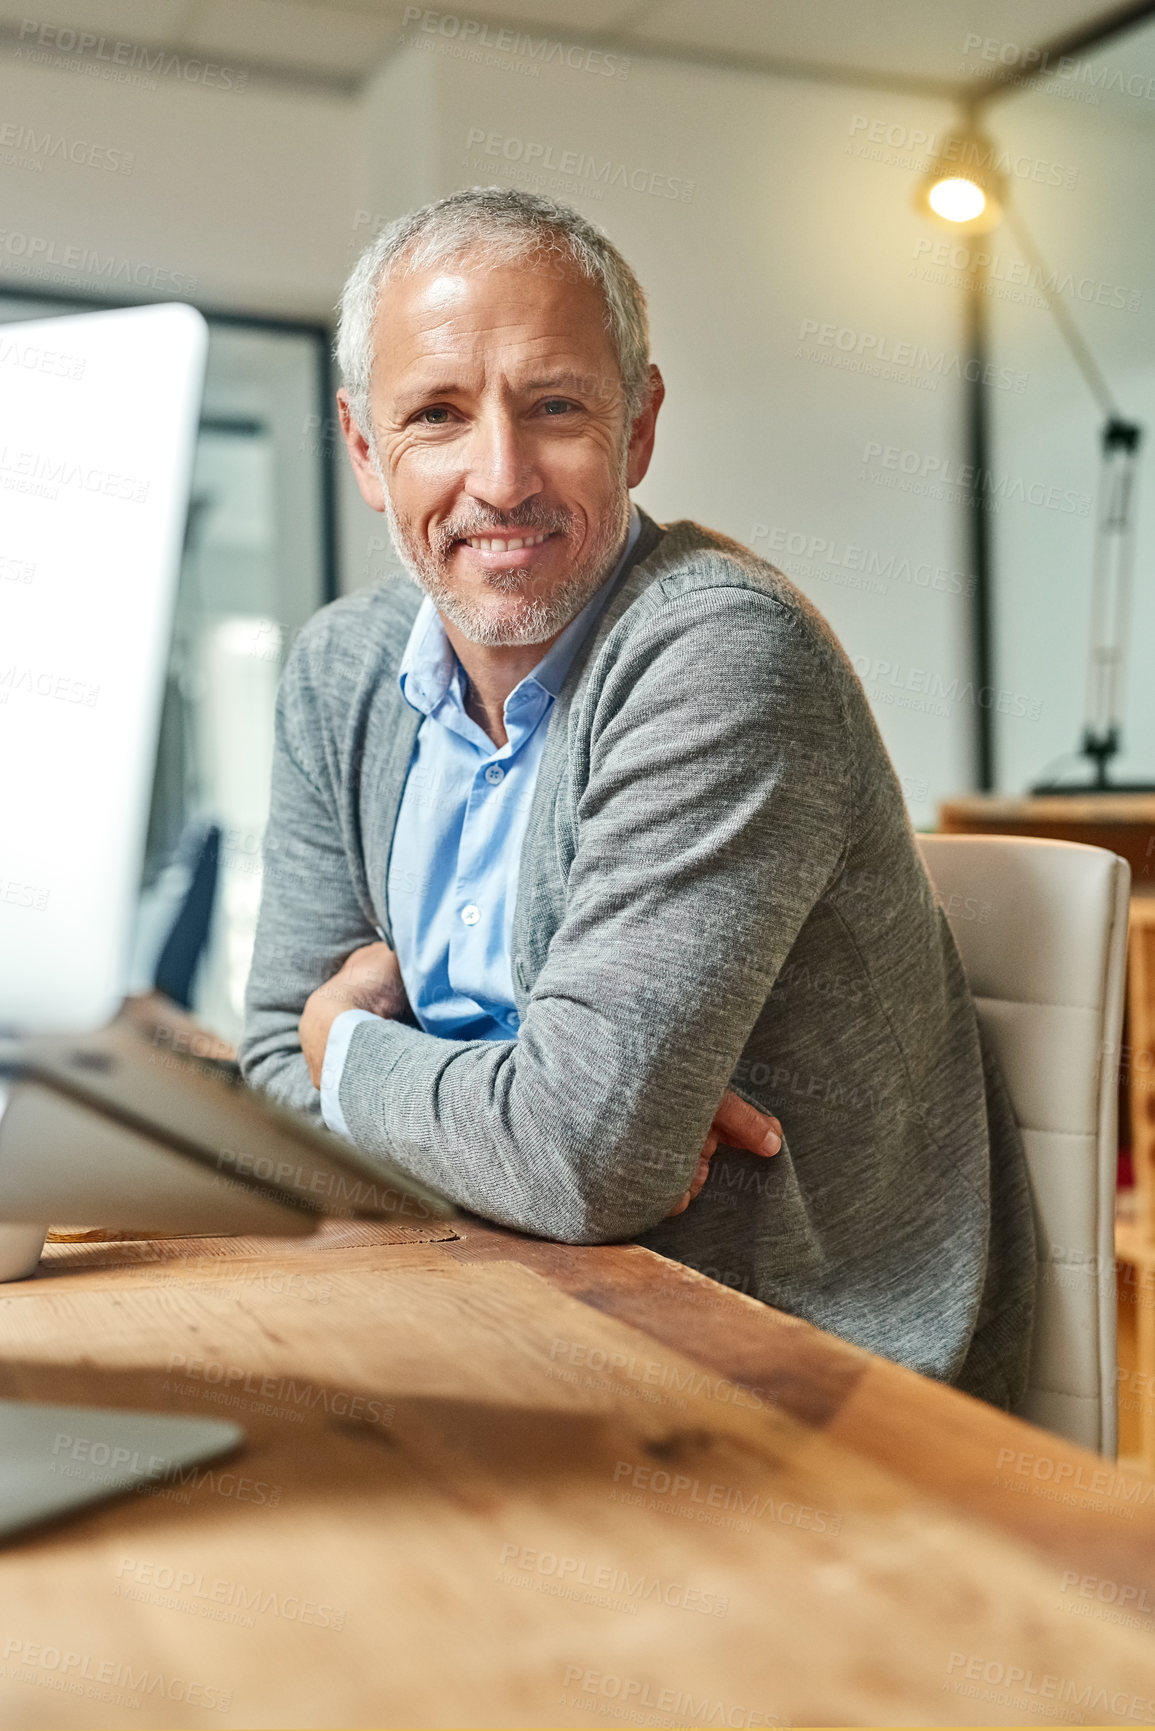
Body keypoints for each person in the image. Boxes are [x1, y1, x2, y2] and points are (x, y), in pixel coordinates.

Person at [240, 186, 1034, 1408]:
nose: (499, 479)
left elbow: (580, 1155)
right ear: (361, 448)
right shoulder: (341, 672)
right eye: (437, 416)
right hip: (488, 1297)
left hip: (800, 1377)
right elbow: (268, 1076)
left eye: (555, 407)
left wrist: (346, 1045)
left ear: (639, 428)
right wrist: (527, 1111)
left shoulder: (722, 654)